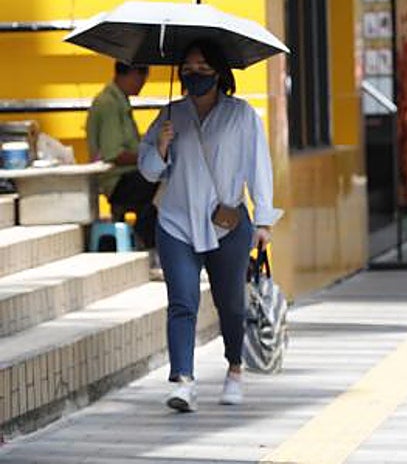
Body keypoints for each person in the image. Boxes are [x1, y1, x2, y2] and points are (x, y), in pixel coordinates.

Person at [138, 39, 282, 412]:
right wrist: (163, 147)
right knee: (181, 302)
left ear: (219, 73)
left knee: (230, 304)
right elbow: (148, 169)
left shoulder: (242, 115)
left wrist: (263, 219)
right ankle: (183, 381)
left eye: (203, 68)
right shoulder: (170, 115)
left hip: (228, 223)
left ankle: (235, 369)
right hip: (176, 222)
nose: (194, 74)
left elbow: (258, 168)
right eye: (188, 67)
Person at [87, 62, 158, 251]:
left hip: (130, 176)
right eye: (142, 76)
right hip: (117, 181)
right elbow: (114, 155)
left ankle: (148, 240)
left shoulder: (121, 101)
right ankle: (146, 241)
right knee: (164, 187)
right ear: (131, 73)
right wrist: (152, 157)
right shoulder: (109, 103)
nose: (143, 82)